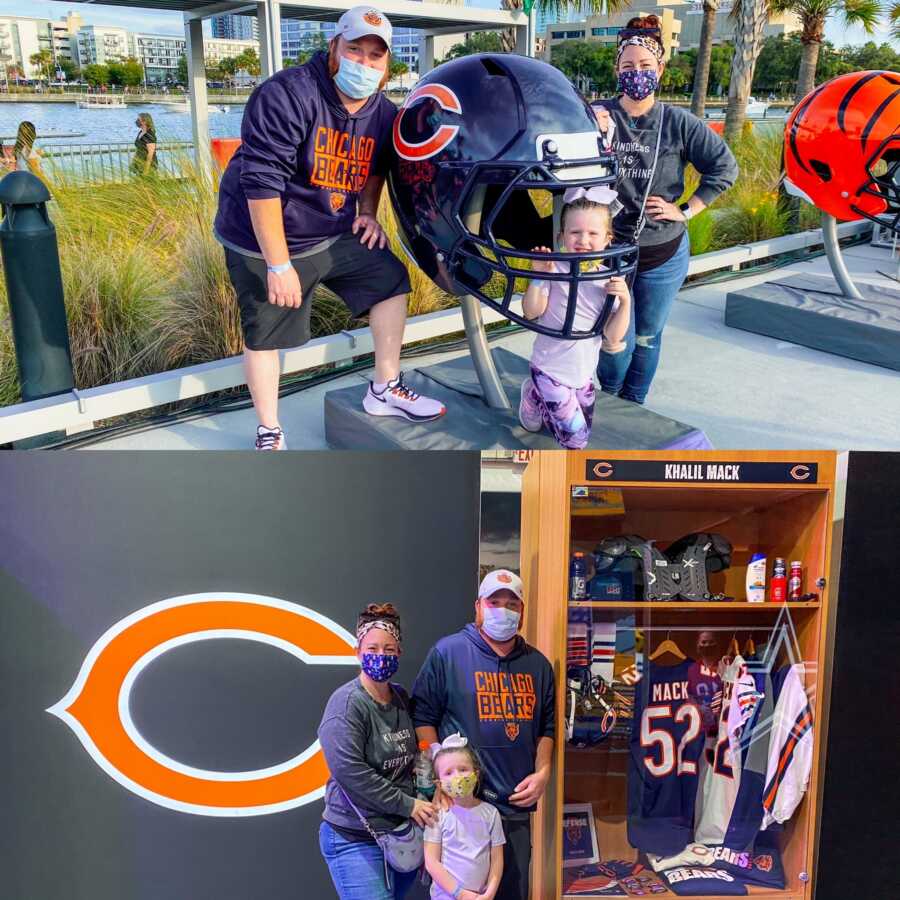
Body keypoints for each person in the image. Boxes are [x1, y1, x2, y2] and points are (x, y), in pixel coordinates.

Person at [213, 5, 445, 451]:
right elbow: (260, 184)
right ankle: (269, 429)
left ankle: (384, 389)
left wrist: (367, 212)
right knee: (266, 328)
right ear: (334, 46)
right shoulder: (287, 94)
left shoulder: (382, 112)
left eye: (375, 56)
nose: (363, 62)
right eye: (354, 49)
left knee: (389, 281)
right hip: (261, 235)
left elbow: (376, 166)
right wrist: (278, 265)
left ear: (386, 65)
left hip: (330, 229)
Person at [591, 15, 738, 405]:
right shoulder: (598, 115)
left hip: (662, 253)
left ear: (660, 69)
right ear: (616, 70)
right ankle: (608, 401)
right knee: (611, 334)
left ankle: (635, 406)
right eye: (627, 67)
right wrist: (589, 127)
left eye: (644, 66)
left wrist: (686, 209)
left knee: (646, 337)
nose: (635, 74)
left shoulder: (678, 122)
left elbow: (725, 167)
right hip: (609, 253)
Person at [412, 570, 555, 900]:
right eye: (494, 602)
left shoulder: (539, 665)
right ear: (478, 606)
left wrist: (544, 772)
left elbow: (547, 727)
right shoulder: (447, 653)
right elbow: (421, 717)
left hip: (514, 809)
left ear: (522, 612)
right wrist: (439, 772)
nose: (503, 610)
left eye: (512, 604)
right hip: (461, 811)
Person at [318, 602, 437, 900]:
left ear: (399, 653)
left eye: (389, 649)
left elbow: (412, 756)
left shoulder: (400, 696)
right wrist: (409, 805)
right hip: (355, 836)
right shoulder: (347, 705)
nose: (380, 656)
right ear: (358, 651)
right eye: (372, 648)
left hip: (400, 835)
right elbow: (350, 773)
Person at [518, 185, 631, 449]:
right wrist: (539, 276)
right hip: (549, 369)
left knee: (578, 420)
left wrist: (625, 300)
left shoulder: (609, 278)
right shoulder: (554, 268)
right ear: (562, 237)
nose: (583, 240)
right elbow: (531, 311)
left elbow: (613, 336)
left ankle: (533, 396)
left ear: (607, 239)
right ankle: (539, 390)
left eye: (593, 233)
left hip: (583, 373)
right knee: (576, 438)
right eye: (575, 232)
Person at [424, 733, 505, 900]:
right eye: (448, 773)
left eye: (463, 769)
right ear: (439, 783)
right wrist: (460, 894)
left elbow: (497, 859)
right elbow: (431, 862)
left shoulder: (491, 814)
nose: (458, 777)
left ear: (475, 774)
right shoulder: (437, 815)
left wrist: (489, 893)